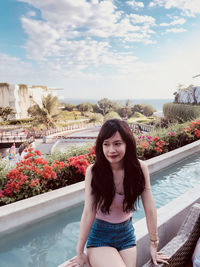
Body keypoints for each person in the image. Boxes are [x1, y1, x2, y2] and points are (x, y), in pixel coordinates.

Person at [66, 119, 168, 267]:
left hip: (126, 235)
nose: (111, 150)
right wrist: (80, 252)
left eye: (117, 143)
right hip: (100, 236)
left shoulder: (140, 168)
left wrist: (154, 245)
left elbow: (150, 208)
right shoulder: (93, 172)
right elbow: (88, 212)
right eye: (106, 144)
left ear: (127, 143)